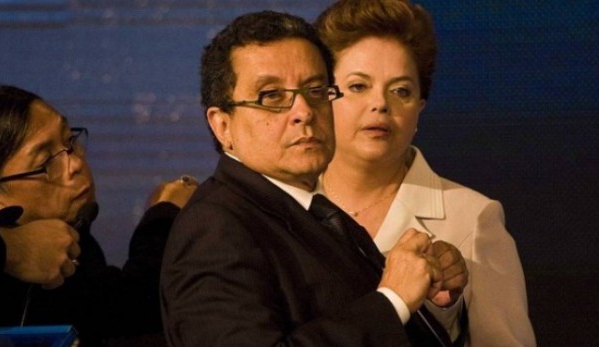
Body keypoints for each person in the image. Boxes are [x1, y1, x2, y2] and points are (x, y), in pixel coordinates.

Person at [160, 10, 467, 346]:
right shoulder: (214, 229)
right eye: (272, 96)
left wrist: (430, 297)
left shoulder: (312, 208)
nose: (304, 112)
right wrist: (391, 301)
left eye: (316, 90)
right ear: (222, 125)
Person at [315, 0, 536, 346]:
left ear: (419, 107)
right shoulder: (288, 205)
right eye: (359, 86)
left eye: (401, 90)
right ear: (324, 96)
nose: (381, 104)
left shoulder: (473, 218)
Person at [0, 84, 198, 346]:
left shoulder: (75, 232)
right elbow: (136, 306)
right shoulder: (21, 284)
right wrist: (164, 216)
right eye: (46, 163)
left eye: (69, 141)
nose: (76, 163)